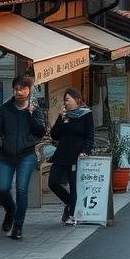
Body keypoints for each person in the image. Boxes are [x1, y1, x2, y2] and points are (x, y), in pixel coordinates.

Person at [0, 75, 46, 240]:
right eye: (16, 89)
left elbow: (41, 131)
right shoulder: (5, 109)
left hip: (26, 155)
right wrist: (2, 143)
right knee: (2, 189)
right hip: (7, 155)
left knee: (22, 190)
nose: (19, 92)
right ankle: (11, 211)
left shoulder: (35, 110)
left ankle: (18, 226)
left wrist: (30, 115)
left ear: (29, 90)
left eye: (23, 88)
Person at [48, 87, 94, 226]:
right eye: (65, 100)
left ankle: (72, 215)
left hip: (77, 155)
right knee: (53, 182)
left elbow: (89, 135)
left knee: (74, 185)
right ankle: (68, 203)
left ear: (77, 100)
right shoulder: (64, 115)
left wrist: (85, 150)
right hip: (61, 153)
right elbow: (54, 135)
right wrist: (61, 118)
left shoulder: (86, 114)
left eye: (68, 99)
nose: (65, 102)